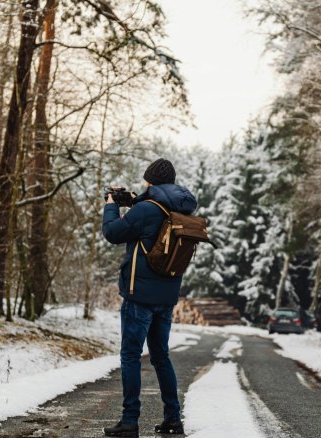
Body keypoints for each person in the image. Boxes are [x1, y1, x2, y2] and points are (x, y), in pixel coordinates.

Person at [102, 158, 196, 438]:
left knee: (131, 355)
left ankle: (130, 421)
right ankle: (172, 419)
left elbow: (112, 233)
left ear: (150, 181)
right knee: (160, 357)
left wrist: (111, 205)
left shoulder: (145, 209)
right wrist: (135, 202)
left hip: (139, 296)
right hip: (166, 296)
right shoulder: (179, 209)